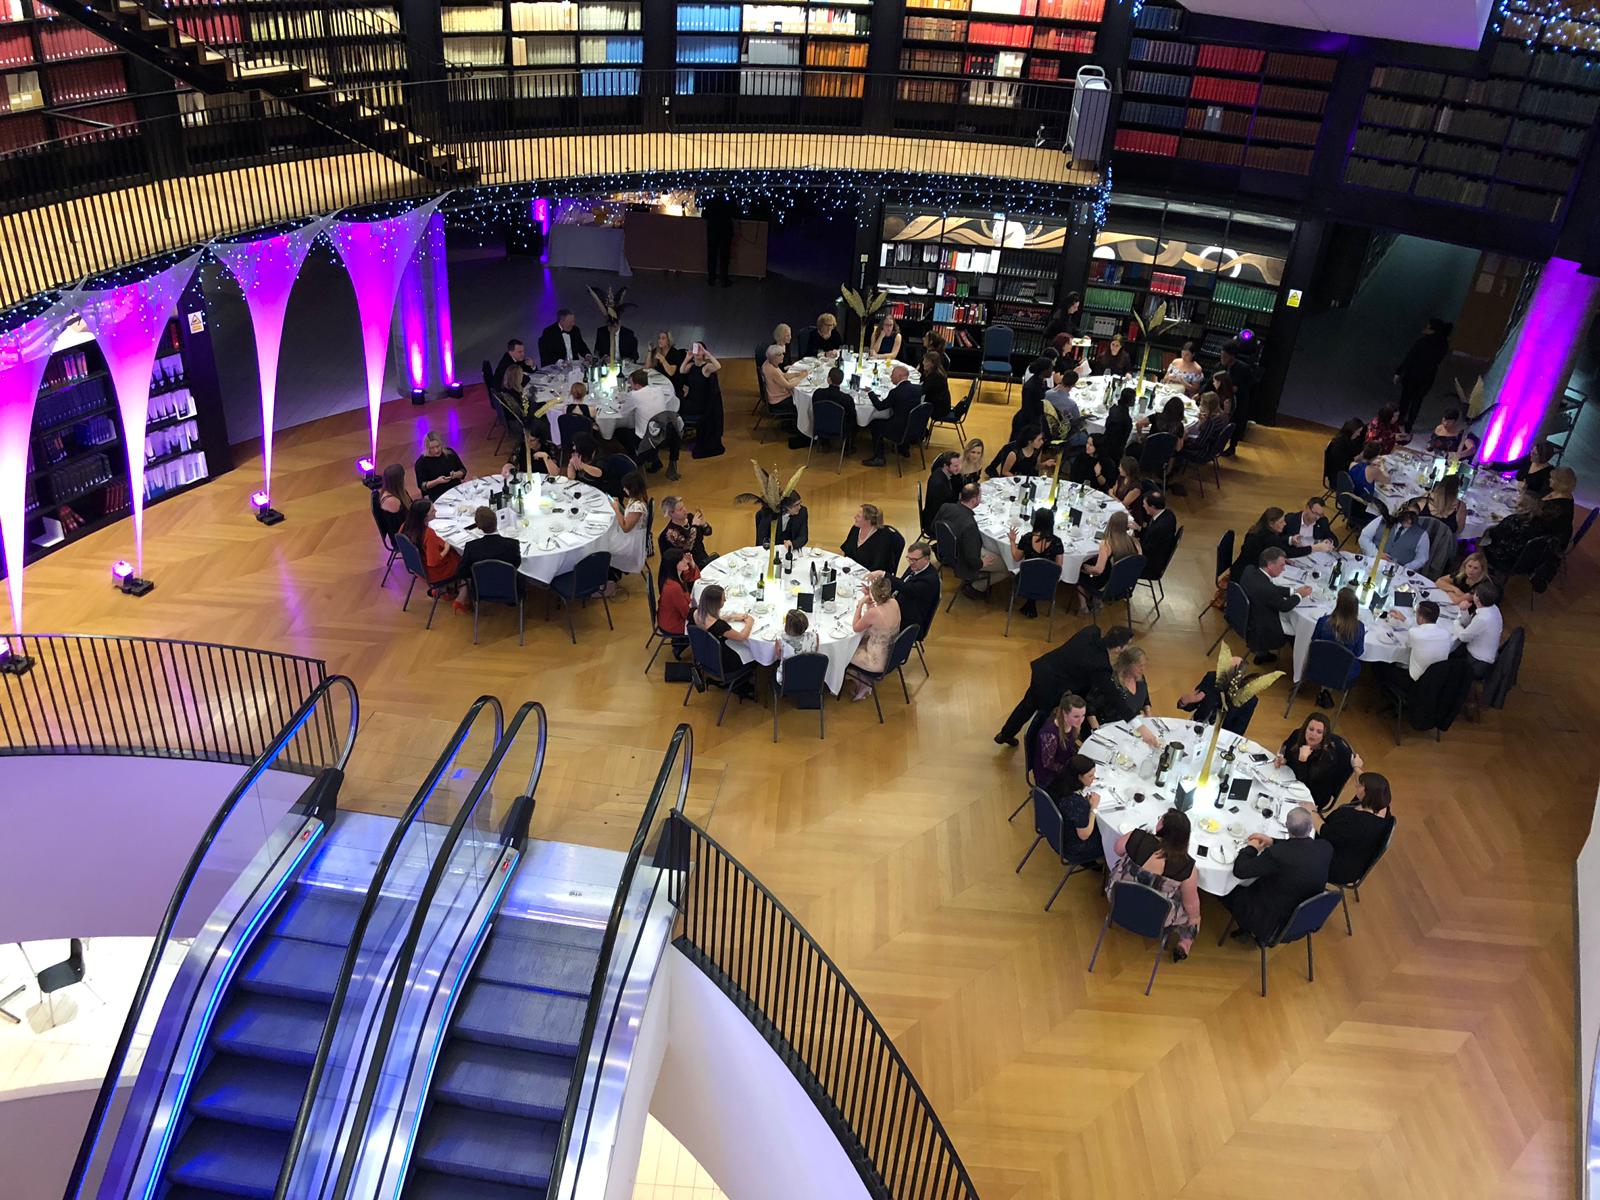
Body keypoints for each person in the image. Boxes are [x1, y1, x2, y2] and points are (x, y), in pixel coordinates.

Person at [994, 624, 1143, 747]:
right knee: (1044, 717)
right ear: (1117, 649)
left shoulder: (1091, 631)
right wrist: (1136, 723)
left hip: (1044, 671)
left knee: (1026, 705)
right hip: (1053, 687)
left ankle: (1005, 734)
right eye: (1126, 645)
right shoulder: (1100, 666)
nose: (1128, 648)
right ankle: (1036, 749)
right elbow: (1114, 696)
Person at [1222, 806, 1332, 942]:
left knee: (1226, 889)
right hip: (1303, 918)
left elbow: (1240, 870)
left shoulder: (1277, 855)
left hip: (1269, 921)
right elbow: (1298, 849)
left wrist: (1251, 848)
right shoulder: (1325, 848)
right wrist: (1273, 842)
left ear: (1287, 826)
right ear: (1311, 827)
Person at [1108, 808, 1202, 959]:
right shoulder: (1187, 867)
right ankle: (1185, 942)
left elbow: (1117, 850)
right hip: (1156, 917)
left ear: (1162, 827)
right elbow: (1191, 903)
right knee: (1192, 909)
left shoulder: (1136, 837)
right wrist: (1195, 918)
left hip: (1119, 899)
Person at [1316, 772, 1395, 888]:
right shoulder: (1382, 808)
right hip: (1354, 856)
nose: (1356, 787)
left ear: (1367, 793)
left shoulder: (1356, 822)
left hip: (1337, 867)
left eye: (1359, 786)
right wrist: (1357, 768)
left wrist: (1312, 812)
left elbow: (1326, 833)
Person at [1240, 546, 1312, 663]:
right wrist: (1300, 596)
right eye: (1281, 565)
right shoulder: (1267, 589)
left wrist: (1293, 591)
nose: (1283, 569)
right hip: (1262, 625)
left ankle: (1262, 654)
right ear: (1270, 565)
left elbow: (1271, 589)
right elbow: (1285, 606)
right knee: (1297, 629)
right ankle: (1299, 661)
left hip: (1248, 615)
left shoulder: (1250, 571)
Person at [935, 482, 1005, 599]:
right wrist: (982, 563)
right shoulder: (970, 525)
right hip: (962, 561)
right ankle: (977, 587)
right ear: (974, 500)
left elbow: (934, 528)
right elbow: (972, 559)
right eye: (980, 497)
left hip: (946, 552)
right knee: (1006, 567)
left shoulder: (945, 507)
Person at [1275, 712, 1355, 812]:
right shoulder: (1297, 735)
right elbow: (1285, 748)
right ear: (1305, 728)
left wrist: (1302, 760)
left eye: (1319, 732)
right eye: (1311, 729)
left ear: (1324, 735)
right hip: (1291, 780)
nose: (1313, 734)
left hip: (1312, 795)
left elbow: (1304, 782)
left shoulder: (1328, 757)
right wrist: (1282, 758)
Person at [845, 572, 902, 700]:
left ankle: (862, 682)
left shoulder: (874, 613)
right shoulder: (894, 602)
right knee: (859, 641)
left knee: (846, 650)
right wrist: (868, 596)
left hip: (876, 660)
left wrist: (860, 604)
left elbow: (856, 627)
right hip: (892, 653)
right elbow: (877, 615)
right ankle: (859, 679)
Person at [400, 498, 465, 607]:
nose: (435, 512)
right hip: (434, 573)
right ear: (425, 517)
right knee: (465, 561)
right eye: (432, 511)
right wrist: (446, 548)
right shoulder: (428, 534)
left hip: (418, 568)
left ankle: (446, 589)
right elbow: (434, 562)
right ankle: (462, 598)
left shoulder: (405, 526)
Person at [1044, 755, 1106, 867]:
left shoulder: (1058, 781)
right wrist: (1093, 808)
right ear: (1079, 777)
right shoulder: (1076, 803)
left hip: (1052, 829)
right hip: (1071, 846)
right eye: (1090, 776)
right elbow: (1084, 835)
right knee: (1109, 838)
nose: (1094, 778)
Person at [1311, 587, 1366, 707]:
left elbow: (1314, 641)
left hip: (1318, 666)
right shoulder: (1359, 628)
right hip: (1344, 672)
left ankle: (1325, 689)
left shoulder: (1323, 621)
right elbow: (1358, 652)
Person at [1395, 317, 1453, 432]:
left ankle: (1399, 420)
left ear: (1433, 330)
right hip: (1428, 376)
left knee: (1405, 399)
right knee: (1417, 401)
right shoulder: (1444, 345)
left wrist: (1398, 372)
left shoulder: (1423, 342)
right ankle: (1409, 424)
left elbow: (1410, 357)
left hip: (1413, 374)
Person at [874, 541, 939, 642]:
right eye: (909, 558)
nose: (911, 562)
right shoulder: (916, 566)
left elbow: (907, 588)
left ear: (926, 559)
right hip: (900, 604)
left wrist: (884, 574)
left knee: (872, 622)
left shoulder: (929, 580)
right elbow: (901, 583)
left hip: (910, 619)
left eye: (915, 559)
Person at [1378, 597, 1451, 686]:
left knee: (1380, 666)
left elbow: (1407, 644)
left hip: (1416, 680)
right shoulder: (1446, 634)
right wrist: (1403, 619)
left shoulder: (1415, 633)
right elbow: (1420, 630)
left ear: (1421, 618)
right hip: (1437, 679)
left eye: (1416, 613)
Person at [1077, 509, 1140, 612]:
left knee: (1078, 573)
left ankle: (1083, 607)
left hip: (1106, 584)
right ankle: (1096, 600)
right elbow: (1137, 562)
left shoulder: (1107, 544)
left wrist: (1084, 567)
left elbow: (1098, 570)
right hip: (1124, 583)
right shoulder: (1135, 543)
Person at [1009, 507, 1065, 619]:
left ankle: (1030, 602)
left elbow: (1016, 557)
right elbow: (1058, 568)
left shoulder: (1027, 538)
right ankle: (1032, 602)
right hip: (1046, 584)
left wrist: (1012, 541)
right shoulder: (1057, 542)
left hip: (1025, 581)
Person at [863, 365, 923, 466]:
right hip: (915, 426)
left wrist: (870, 392)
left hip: (899, 429)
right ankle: (904, 448)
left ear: (900, 376)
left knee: (875, 424)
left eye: (892, 375)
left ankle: (879, 457)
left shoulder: (896, 392)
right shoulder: (918, 389)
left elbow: (880, 406)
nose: (890, 377)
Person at [693, 584, 754, 679]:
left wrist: (732, 617)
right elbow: (742, 637)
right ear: (715, 603)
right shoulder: (720, 626)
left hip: (705, 652)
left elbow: (712, 620)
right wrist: (749, 623)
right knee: (753, 653)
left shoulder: (697, 612)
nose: (725, 601)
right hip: (722, 662)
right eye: (723, 599)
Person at [455, 505, 523, 588]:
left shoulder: (471, 547)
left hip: (481, 589)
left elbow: (462, 572)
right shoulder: (512, 544)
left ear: (478, 526)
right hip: (509, 588)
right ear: (496, 521)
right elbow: (516, 564)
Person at [1232, 507, 1312, 577]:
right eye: (1281, 522)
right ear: (1271, 524)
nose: (1285, 524)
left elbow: (1278, 542)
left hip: (1240, 566)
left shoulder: (1257, 529)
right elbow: (1289, 553)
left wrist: (1290, 540)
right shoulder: (1269, 538)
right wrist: (1313, 548)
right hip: (1246, 575)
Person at [1031, 693, 1086, 790]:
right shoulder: (1050, 735)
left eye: (1083, 715)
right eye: (1076, 716)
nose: (1080, 720)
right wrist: (1072, 770)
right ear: (1065, 714)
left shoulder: (1072, 724)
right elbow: (1048, 764)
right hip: (1049, 776)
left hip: (1066, 764)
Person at [680, 342, 726, 458]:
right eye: (696, 349)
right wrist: (687, 357)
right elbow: (681, 370)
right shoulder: (691, 366)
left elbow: (718, 366)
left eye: (700, 350)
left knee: (677, 407)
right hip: (692, 399)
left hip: (700, 403)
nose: (697, 352)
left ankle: (678, 434)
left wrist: (708, 354)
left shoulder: (706, 368)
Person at [1088, 646, 1152, 728]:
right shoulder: (1110, 681)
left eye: (1144, 665)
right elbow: (1090, 707)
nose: (1143, 669)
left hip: (1134, 723)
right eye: (1140, 666)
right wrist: (1097, 731)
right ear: (1128, 665)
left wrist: (1149, 719)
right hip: (1111, 726)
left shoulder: (1140, 678)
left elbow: (1146, 701)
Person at [1451, 579, 1503, 679]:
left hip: (1476, 662)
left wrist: (1455, 622)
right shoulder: (1493, 608)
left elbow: (1463, 636)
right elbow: (1468, 623)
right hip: (1483, 654)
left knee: (1448, 656)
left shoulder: (1483, 619)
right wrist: (1464, 610)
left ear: (1477, 598)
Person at [1358, 503, 1431, 573]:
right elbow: (1364, 537)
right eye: (1407, 515)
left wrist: (1405, 568)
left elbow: (1422, 558)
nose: (1410, 520)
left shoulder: (1422, 535)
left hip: (1397, 573)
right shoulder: (1383, 519)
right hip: (1371, 563)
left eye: (1414, 517)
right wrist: (1376, 554)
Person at [608, 471, 650, 578]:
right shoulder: (637, 499)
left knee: (603, 545)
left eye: (625, 488)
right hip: (631, 534)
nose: (624, 489)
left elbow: (626, 527)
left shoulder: (638, 507)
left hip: (631, 542)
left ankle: (611, 575)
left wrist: (616, 508)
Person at [1216, 341, 1256, 454]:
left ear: (1232, 356)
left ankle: (1232, 446)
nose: (1222, 358)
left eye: (1224, 356)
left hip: (1239, 400)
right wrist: (1199, 393)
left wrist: (1238, 388)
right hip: (1223, 399)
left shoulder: (1243, 368)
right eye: (1221, 355)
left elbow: (1251, 383)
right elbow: (1211, 381)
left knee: (1235, 423)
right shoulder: (1219, 366)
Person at [840, 503, 900, 574]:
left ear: (868, 521)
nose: (854, 517)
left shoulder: (882, 539)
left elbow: (878, 567)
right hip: (851, 571)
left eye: (858, 516)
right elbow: (845, 550)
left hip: (869, 576)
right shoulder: (855, 529)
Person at [656, 548, 700, 639]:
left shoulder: (676, 574)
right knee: (708, 624)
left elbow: (693, 577)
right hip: (673, 623)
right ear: (674, 564)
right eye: (682, 560)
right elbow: (686, 614)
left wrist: (692, 562)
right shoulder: (673, 587)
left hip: (670, 616)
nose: (685, 560)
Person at [659, 495, 714, 566]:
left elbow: (709, 532)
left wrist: (704, 524)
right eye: (680, 509)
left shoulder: (690, 517)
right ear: (671, 513)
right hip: (688, 566)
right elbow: (688, 549)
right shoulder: (671, 533)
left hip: (703, 558)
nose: (685, 510)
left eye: (684, 506)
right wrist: (694, 527)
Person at [414, 431, 467, 502]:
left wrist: (456, 474)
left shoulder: (450, 453)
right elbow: (423, 486)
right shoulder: (421, 463)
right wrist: (437, 481)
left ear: (441, 444)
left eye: (438, 446)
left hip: (456, 489)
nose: (436, 450)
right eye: (432, 448)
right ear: (426, 448)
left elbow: (463, 470)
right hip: (438, 494)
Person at [760, 343, 805, 426]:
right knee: (802, 402)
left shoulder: (767, 363)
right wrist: (801, 377)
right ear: (774, 357)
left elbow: (783, 375)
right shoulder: (772, 370)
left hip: (773, 396)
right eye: (780, 355)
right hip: (778, 401)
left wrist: (797, 374)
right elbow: (788, 385)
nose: (783, 356)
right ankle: (798, 427)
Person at [922, 451, 962, 533]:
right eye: (955, 466)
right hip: (935, 523)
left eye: (959, 465)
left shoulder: (940, 472)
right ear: (946, 466)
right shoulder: (939, 484)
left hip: (938, 514)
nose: (959, 468)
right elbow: (940, 510)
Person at [701, 192, 736, 287]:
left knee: (712, 255)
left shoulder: (710, 201)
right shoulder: (729, 201)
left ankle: (711, 278)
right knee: (724, 256)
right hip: (725, 231)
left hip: (712, 231)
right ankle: (724, 279)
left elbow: (704, 215)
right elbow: (735, 214)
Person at [775, 609, 818, 683]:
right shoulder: (813, 636)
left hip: (786, 679)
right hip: (808, 676)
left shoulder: (780, 639)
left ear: (787, 626)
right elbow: (815, 651)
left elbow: (778, 657)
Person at [1324, 417, 1368, 489]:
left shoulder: (1350, 440)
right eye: (1358, 432)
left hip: (1345, 471)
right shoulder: (1339, 443)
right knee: (1364, 482)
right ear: (1351, 430)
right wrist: (1358, 457)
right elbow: (1342, 464)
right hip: (1338, 477)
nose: (1359, 434)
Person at [1139, 490, 1178, 569]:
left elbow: (1148, 550)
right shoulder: (1168, 513)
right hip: (1156, 553)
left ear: (1152, 507)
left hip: (1151, 564)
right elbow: (1151, 534)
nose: (1143, 506)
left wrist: (1133, 542)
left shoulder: (1160, 528)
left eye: (1144, 504)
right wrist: (1140, 528)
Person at [375, 464, 411, 539]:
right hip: (402, 537)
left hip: (408, 528)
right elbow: (402, 524)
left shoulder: (398, 491)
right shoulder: (391, 500)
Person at [1101, 388, 1134, 460]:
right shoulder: (1127, 420)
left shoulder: (1113, 409)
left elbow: (1107, 426)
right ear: (1131, 400)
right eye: (1134, 398)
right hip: (1116, 451)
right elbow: (1125, 439)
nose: (1135, 401)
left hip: (1105, 444)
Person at [920, 352, 951, 420]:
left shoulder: (935, 376)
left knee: (913, 406)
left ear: (932, 363)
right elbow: (922, 380)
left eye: (925, 361)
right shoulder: (935, 370)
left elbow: (922, 391)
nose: (923, 363)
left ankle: (920, 428)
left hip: (939, 409)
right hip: (939, 403)